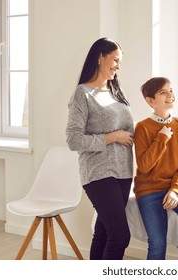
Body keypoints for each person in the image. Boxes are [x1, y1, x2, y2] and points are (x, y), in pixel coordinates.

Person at [66, 37, 134, 260]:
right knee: (120, 235)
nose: (118, 66)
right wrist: (112, 137)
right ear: (100, 57)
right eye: (115, 59)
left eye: (120, 62)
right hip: (98, 172)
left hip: (123, 172)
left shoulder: (116, 92)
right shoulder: (82, 94)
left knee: (104, 232)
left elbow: (130, 132)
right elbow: (74, 140)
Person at [134, 77, 178, 260]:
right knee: (157, 243)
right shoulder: (142, 128)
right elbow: (144, 166)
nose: (170, 95)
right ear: (150, 101)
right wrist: (162, 138)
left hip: (173, 186)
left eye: (170, 90)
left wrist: (175, 190)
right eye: (163, 92)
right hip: (149, 190)